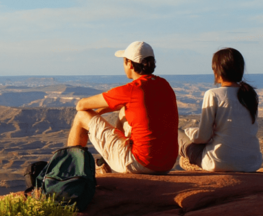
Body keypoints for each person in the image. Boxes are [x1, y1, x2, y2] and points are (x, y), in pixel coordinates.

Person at [66, 41, 180, 174]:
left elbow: (81, 105)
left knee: (81, 116)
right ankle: (105, 163)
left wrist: (94, 115)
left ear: (129, 64)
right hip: (166, 164)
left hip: (139, 163)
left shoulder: (131, 90)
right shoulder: (164, 85)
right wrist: (100, 112)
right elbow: (134, 105)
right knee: (123, 112)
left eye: (124, 61)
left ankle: (70, 171)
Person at [177, 48, 263, 172]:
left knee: (177, 133)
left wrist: (190, 132)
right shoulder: (250, 95)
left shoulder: (213, 94)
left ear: (218, 70)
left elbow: (203, 137)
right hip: (251, 163)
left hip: (219, 163)